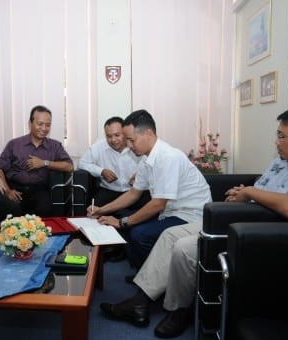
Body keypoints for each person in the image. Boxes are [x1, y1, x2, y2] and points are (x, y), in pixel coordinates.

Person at [99, 106, 288, 338]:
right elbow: (261, 190)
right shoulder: (281, 164)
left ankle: (177, 310)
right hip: (237, 218)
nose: (276, 142)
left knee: (182, 248)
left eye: (282, 136)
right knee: (169, 236)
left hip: (259, 235)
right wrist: (241, 195)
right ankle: (141, 300)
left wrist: (249, 193)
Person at [89, 109, 212, 269]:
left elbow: (158, 204)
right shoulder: (146, 159)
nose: (129, 145)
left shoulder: (168, 157)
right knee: (126, 221)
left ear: (148, 133)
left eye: (131, 140)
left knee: (139, 233)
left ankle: (160, 284)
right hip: (170, 212)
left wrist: (122, 222)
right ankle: (143, 276)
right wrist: (102, 210)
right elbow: (133, 194)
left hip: (190, 216)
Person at [0, 105, 74, 216]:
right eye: (40, 124)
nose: (44, 128)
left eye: (48, 125)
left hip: (39, 190)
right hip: (15, 188)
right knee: (12, 210)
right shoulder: (15, 144)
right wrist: (7, 191)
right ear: (30, 123)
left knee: (45, 209)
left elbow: (69, 166)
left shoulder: (54, 146)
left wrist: (44, 163)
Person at [78, 116, 150, 217]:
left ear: (125, 133)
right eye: (109, 136)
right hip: (110, 191)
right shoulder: (99, 147)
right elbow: (82, 163)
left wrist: (141, 174)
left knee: (147, 210)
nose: (113, 140)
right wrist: (101, 171)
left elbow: (152, 164)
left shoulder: (137, 145)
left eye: (117, 135)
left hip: (136, 191)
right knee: (93, 213)